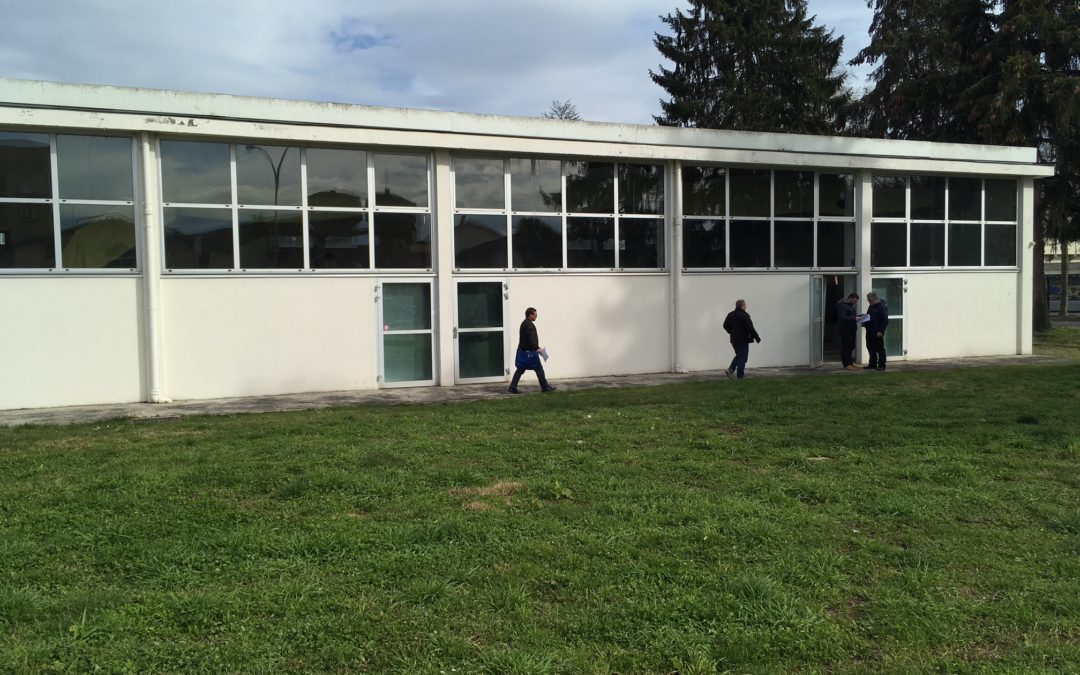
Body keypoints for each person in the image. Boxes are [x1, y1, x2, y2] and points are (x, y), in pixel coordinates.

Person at [508, 307, 556, 394]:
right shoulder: (529, 325)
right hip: (530, 353)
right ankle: (545, 388)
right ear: (530, 315)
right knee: (539, 370)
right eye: (535, 315)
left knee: (520, 369)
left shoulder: (524, 323)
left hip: (524, 352)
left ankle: (512, 387)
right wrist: (537, 348)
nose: (536, 316)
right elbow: (531, 338)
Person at [722, 299, 761, 380]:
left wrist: (731, 332)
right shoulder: (745, 316)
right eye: (745, 305)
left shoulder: (730, 315)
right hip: (743, 340)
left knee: (740, 356)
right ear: (742, 306)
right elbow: (750, 328)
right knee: (742, 358)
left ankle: (730, 370)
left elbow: (725, 325)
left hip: (733, 340)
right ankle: (740, 376)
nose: (746, 306)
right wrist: (757, 337)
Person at [863, 291, 889, 371]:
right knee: (870, 347)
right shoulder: (871, 306)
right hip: (870, 331)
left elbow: (884, 320)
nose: (869, 302)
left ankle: (881, 364)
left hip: (877, 331)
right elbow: (869, 316)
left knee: (880, 348)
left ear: (875, 299)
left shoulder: (881, 307)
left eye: (870, 300)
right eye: (868, 300)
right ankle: (872, 364)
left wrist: (881, 331)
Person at [835, 292, 861, 370]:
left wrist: (858, 317)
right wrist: (854, 318)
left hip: (851, 328)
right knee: (846, 347)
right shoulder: (842, 306)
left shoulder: (849, 306)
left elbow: (850, 316)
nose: (855, 303)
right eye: (854, 301)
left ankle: (850, 363)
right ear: (850, 298)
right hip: (845, 329)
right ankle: (846, 364)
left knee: (851, 346)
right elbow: (842, 318)